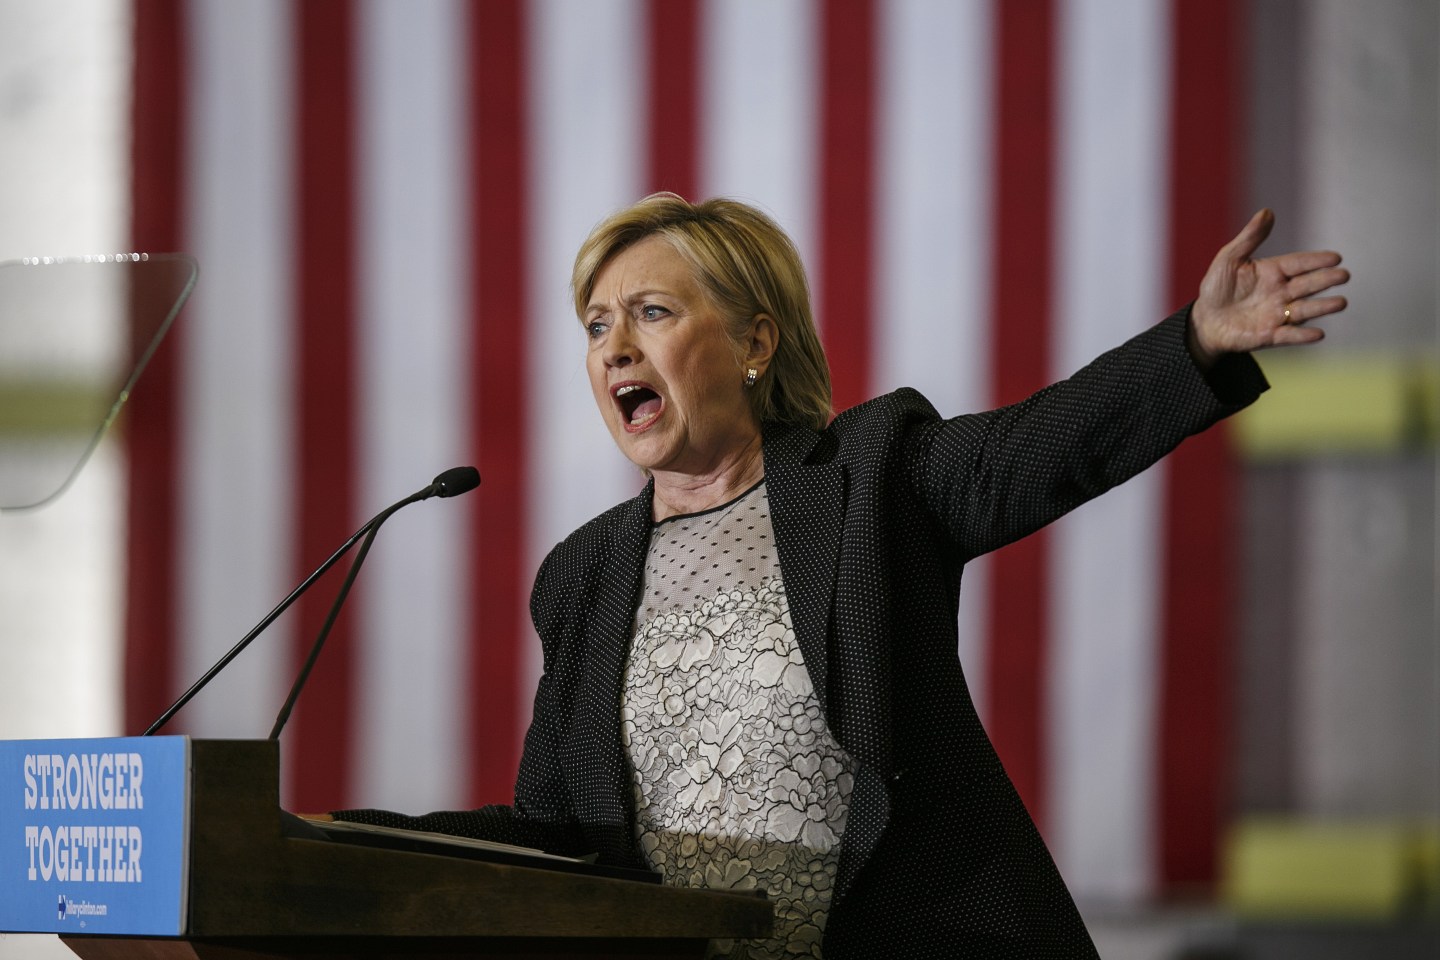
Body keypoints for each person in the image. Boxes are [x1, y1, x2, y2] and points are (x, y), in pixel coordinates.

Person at [317, 194, 1349, 958]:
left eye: (652, 312)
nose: (615, 347)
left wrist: (1195, 344)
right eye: (595, 325)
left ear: (754, 341)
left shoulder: (870, 477)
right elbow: (556, 834)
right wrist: (331, 843)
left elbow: (1040, 450)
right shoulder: (581, 575)